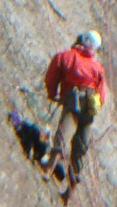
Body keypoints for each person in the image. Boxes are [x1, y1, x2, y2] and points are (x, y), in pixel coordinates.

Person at [43, 31, 106, 184]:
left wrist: (52, 94)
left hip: (73, 101)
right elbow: (102, 96)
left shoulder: (66, 57)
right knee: (80, 146)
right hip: (89, 108)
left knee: (64, 133)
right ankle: (70, 189)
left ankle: (48, 170)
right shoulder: (98, 69)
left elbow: (51, 78)